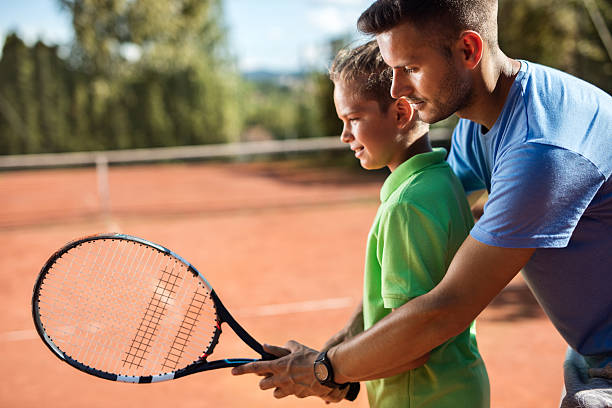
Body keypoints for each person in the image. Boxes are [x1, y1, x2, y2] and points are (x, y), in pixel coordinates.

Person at [233, 1, 612, 406]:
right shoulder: (480, 119)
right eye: (392, 69)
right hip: (594, 350)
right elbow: (439, 220)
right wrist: (336, 352)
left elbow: (445, 310)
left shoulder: (540, 151)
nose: (396, 89)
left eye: (410, 68)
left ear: (469, 50)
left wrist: (325, 367)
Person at [234, 40, 491, 407]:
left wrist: (325, 369)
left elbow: (413, 343)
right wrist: (331, 362)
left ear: (401, 113)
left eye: (354, 119)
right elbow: (396, 321)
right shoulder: (437, 180)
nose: (345, 136)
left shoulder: (408, 204)